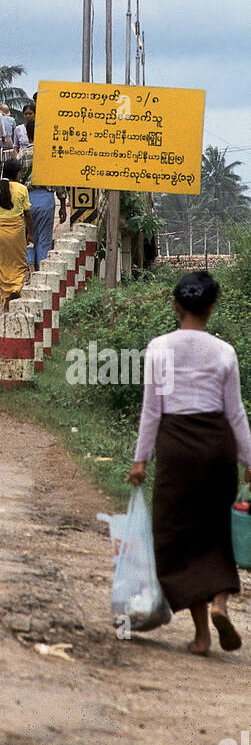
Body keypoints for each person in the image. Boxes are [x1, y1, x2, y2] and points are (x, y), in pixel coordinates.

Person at [127, 272, 251, 658]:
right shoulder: (224, 352)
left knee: (178, 536)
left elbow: (152, 411)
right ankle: (219, 604)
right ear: (211, 309)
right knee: (215, 531)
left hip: (177, 448)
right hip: (217, 446)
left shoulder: (159, 348)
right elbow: (236, 413)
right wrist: (249, 459)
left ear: (176, 306)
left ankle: (201, 636)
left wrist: (140, 460)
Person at [0, 158, 34, 311]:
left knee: (3, 267)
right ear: (17, 174)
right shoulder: (22, 189)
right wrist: (30, 233)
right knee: (18, 265)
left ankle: (6, 300)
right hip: (17, 231)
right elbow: (28, 215)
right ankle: (16, 289)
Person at [17, 118, 67, 269]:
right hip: (46, 199)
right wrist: (63, 205)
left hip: (26, 199)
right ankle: (42, 269)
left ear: (27, 134)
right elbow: (59, 182)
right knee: (44, 238)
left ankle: (31, 265)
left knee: (28, 236)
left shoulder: (21, 155)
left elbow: (16, 182)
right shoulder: (50, 155)